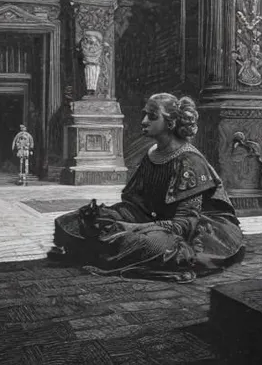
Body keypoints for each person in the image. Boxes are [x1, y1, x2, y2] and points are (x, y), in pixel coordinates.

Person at [52, 93, 245, 282]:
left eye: (152, 116)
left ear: (170, 123)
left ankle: (101, 250)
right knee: (72, 221)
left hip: (193, 231)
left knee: (145, 243)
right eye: (144, 114)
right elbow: (135, 204)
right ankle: (105, 248)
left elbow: (184, 225)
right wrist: (107, 216)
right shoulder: (152, 153)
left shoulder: (189, 161)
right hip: (152, 220)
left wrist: (134, 227)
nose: (144, 121)